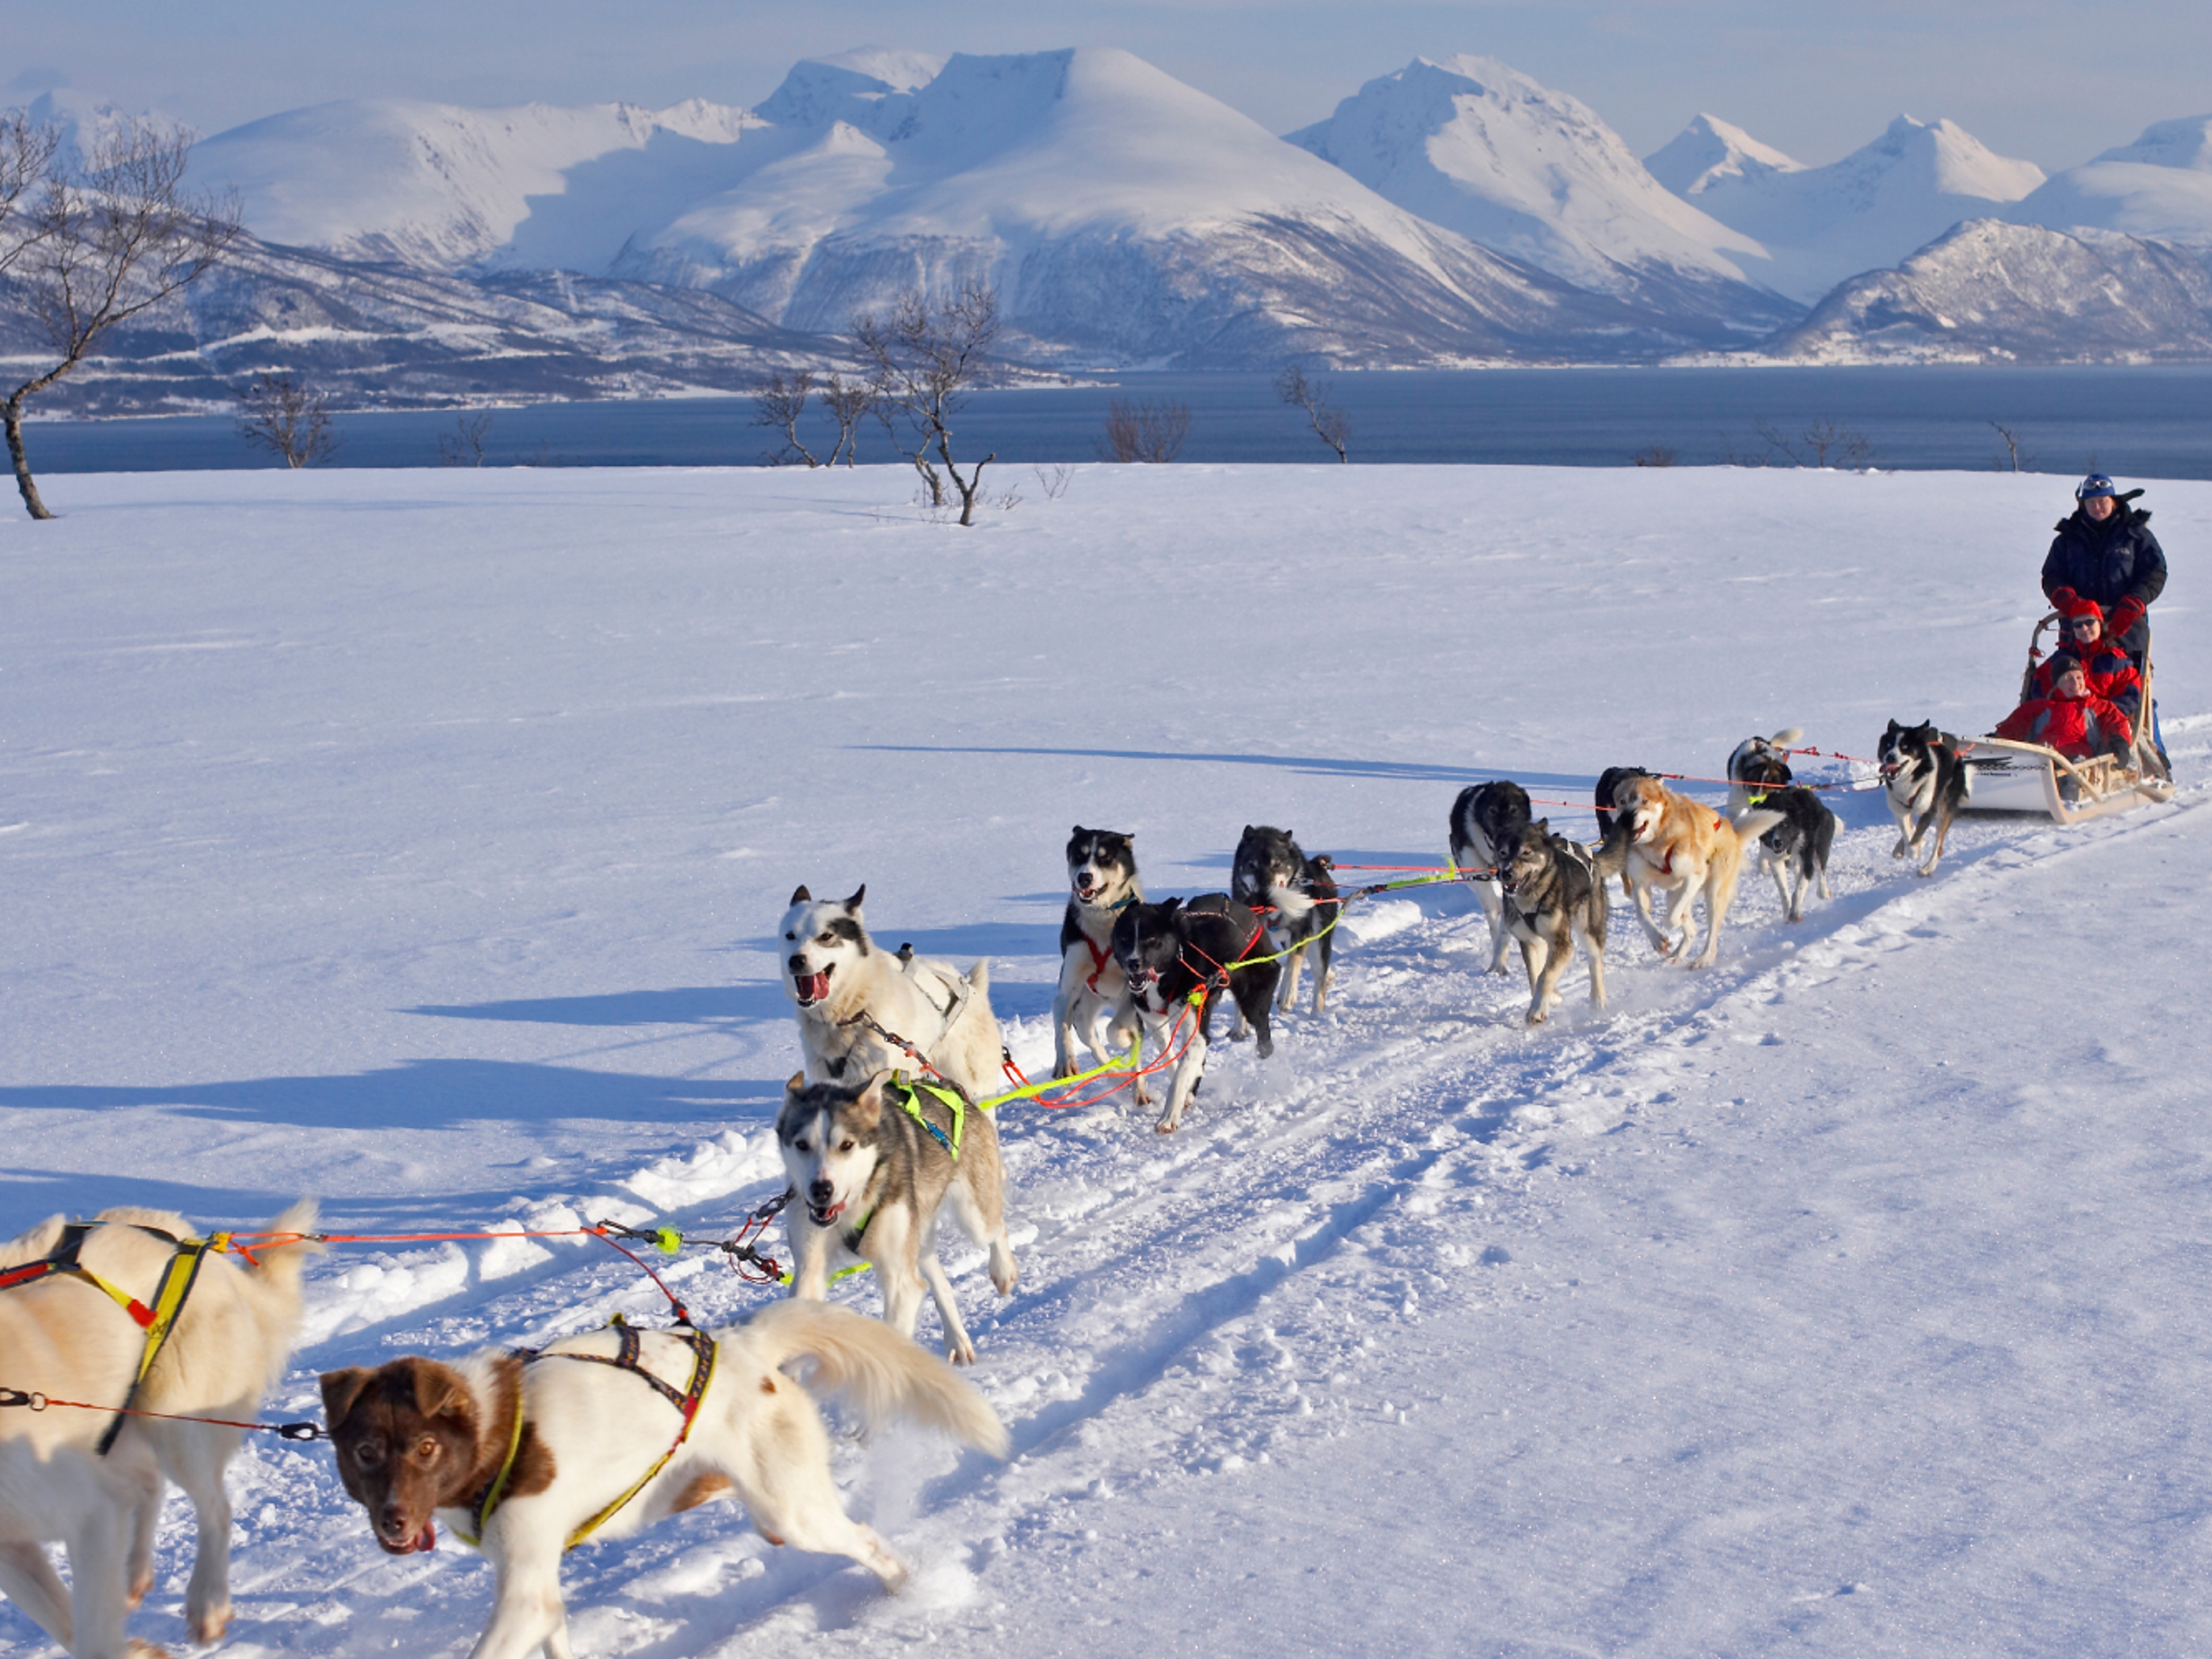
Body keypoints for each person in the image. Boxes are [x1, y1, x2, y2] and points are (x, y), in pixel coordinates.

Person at [2043, 472, 2164, 664]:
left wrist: (2134, 602)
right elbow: (2052, 575)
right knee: (2074, 684)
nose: (2097, 507)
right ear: (2083, 505)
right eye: (2091, 502)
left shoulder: (2135, 535)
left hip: (2126, 626)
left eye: (2102, 501)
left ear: (2113, 501)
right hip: (2079, 627)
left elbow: (2154, 573)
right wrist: (2068, 601)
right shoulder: (2068, 538)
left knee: (2126, 681)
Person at [1996, 658, 2134, 763]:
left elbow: (2117, 725)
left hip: (2081, 763)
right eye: (2068, 679)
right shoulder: (2038, 708)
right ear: (2058, 684)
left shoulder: (2101, 707)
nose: (2076, 683)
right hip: (2041, 760)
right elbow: (2011, 730)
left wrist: (2119, 745)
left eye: (2079, 678)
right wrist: (1995, 740)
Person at [2032, 594, 2143, 724]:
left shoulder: (2116, 660)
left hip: (2104, 723)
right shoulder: (2061, 660)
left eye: (2089, 622)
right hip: (2063, 722)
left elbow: (2130, 696)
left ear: (2100, 625)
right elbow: (2041, 690)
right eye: (2078, 625)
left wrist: (2098, 714)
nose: (2084, 629)